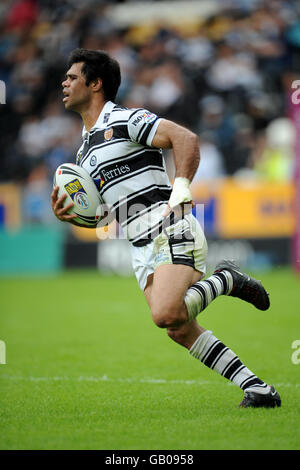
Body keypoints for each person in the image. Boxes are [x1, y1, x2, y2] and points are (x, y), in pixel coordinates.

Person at [51, 48, 281, 408]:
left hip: (170, 226)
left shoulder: (126, 120)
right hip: (139, 246)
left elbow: (186, 139)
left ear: (95, 84)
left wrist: (182, 186)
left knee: (166, 314)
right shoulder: (83, 153)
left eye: (72, 77)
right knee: (178, 329)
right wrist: (77, 216)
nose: (63, 82)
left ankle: (226, 278)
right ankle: (258, 389)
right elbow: (108, 213)